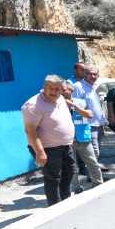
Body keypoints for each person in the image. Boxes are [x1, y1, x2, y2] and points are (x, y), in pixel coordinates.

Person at [22, 75, 75, 206]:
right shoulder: (33, 105)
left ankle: (65, 201)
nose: (54, 92)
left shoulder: (61, 98)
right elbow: (30, 130)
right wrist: (40, 152)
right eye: (50, 88)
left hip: (65, 145)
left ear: (62, 89)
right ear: (44, 87)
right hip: (47, 148)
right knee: (53, 178)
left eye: (58, 89)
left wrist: (68, 139)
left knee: (69, 172)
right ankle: (55, 208)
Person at [62, 81, 104, 192]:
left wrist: (73, 106)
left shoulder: (81, 102)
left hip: (82, 138)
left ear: (71, 90)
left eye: (64, 90)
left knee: (93, 164)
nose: (61, 92)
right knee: (72, 168)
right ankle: (76, 189)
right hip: (67, 141)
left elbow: (89, 115)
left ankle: (98, 186)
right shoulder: (56, 105)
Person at [75, 66, 109, 172]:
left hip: (98, 124)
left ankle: (95, 171)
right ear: (84, 74)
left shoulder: (92, 87)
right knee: (93, 152)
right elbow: (75, 106)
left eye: (95, 74)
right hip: (88, 124)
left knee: (96, 150)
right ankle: (93, 175)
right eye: (90, 74)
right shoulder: (78, 86)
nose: (93, 76)